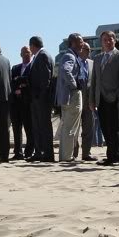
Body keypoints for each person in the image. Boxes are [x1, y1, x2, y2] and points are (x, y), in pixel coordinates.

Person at [90, 31, 119, 166]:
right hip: (100, 98)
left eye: (110, 39)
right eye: (105, 40)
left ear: (114, 40)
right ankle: (113, 154)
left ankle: (114, 156)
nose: (108, 42)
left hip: (114, 98)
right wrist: (92, 100)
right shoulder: (97, 58)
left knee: (114, 128)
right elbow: (94, 80)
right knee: (104, 128)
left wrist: (116, 94)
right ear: (101, 42)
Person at [57, 33, 87, 163]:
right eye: (80, 42)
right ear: (73, 43)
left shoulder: (69, 55)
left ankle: (64, 156)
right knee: (71, 127)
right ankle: (67, 157)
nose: (82, 44)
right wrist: (75, 85)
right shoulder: (70, 56)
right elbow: (65, 70)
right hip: (72, 95)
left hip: (67, 96)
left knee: (66, 127)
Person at [27, 36, 55, 162]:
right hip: (37, 98)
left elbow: (45, 79)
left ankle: (47, 154)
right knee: (38, 126)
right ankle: (39, 152)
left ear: (32, 45)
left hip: (41, 99)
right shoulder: (40, 56)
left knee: (44, 126)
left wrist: (40, 96)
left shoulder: (43, 55)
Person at [9, 46, 34, 160]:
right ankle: (18, 152)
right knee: (16, 128)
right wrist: (20, 83)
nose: (26, 54)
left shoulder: (33, 67)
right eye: (23, 52)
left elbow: (29, 82)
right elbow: (12, 83)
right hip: (15, 103)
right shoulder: (15, 68)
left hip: (27, 103)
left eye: (28, 52)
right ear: (20, 54)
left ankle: (29, 152)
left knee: (29, 128)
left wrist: (21, 83)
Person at [75, 43, 96, 161]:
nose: (89, 51)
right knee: (75, 128)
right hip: (76, 99)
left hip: (89, 101)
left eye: (90, 49)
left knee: (89, 127)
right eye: (86, 49)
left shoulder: (92, 63)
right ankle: (74, 152)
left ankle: (86, 153)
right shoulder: (74, 62)